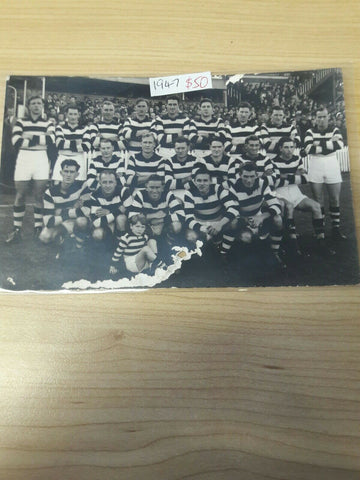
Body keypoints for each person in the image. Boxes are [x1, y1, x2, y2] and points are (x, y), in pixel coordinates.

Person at [273, 137, 334, 256]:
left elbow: (305, 178)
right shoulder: (273, 161)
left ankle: (321, 241)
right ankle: (292, 243)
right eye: (286, 147)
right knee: (288, 208)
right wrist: (295, 177)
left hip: (295, 191)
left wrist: (285, 176)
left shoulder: (297, 159)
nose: (289, 150)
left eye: (291, 147)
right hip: (279, 192)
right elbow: (275, 182)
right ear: (280, 148)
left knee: (316, 207)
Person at [6, 96, 55, 243]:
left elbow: (50, 140)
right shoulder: (21, 122)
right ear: (28, 106)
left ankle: (38, 228)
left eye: (39, 103)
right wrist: (40, 138)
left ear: (43, 106)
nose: (36, 106)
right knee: (20, 195)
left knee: (39, 195)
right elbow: (16, 141)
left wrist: (28, 137)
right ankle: (16, 230)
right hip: (24, 159)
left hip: (41, 159)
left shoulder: (48, 122)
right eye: (33, 103)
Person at [229, 162, 285, 267]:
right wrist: (248, 220)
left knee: (278, 219)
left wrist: (261, 217)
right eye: (245, 176)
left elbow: (276, 205)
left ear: (257, 175)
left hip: (258, 216)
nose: (249, 180)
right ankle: (248, 255)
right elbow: (234, 214)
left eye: (252, 176)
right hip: (243, 220)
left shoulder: (262, 183)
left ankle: (275, 252)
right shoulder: (234, 189)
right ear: (240, 175)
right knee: (246, 237)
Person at [304, 106, 346, 240]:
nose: (321, 120)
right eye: (319, 117)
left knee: (334, 199)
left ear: (328, 117)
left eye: (324, 116)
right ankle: (320, 231)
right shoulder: (310, 131)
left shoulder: (335, 129)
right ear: (315, 119)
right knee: (318, 200)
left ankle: (336, 229)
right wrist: (328, 143)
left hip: (331, 163)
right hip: (316, 164)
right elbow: (309, 149)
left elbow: (339, 145)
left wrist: (318, 144)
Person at [183, 167, 238, 254]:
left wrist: (219, 225)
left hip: (218, 223)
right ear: (194, 181)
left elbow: (233, 208)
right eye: (199, 180)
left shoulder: (218, 189)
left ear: (210, 181)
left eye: (205, 180)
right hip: (201, 225)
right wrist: (204, 229)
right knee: (191, 236)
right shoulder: (189, 193)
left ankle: (223, 253)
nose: (202, 183)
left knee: (234, 222)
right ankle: (199, 256)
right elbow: (188, 219)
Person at [39, 159, 88, 250]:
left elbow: (86, 211)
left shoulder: (83, 186)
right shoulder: (50, 192)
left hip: (75, 220)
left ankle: (79, 246)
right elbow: (48, 222)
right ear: (61, 173)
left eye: (72, 172)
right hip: (62, 221)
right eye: (66, 171)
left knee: (82, 221)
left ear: (77, 174)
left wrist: (60, 211)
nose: (68, 175)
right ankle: (66, 238)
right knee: (44, 237)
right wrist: (72, 210)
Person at [129, 174, 183, 239]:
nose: (154, 191)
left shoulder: (168, 194)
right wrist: (154, 215)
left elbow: (181, 215)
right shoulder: (140, 194)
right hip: (146, 225)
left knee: (177, 225)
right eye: (152, 187)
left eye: (157, 187)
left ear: (162, 188)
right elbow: (132, 217)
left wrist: (160, 220)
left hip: (163, 224)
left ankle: (170, 243)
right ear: (146, 187)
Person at [86, 170, 131, 244]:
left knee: (121, 218)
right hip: (106, 225)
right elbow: (96, 223)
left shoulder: (123, 191)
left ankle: (121, 246)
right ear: (100, 183)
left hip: (122, 225)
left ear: (115, 182)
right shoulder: (95, 195)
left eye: (111, 182)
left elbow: (131, 213)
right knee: (97, 233)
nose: (107, 185)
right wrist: (117, 211)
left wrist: (109, 212)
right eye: (104, 182)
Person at [52, 104, 91, 182]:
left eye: (75, 114)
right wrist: (77, 142)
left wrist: (67, 143)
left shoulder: (85, 129)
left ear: (79, 115)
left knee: (78, 185)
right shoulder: (60, 128)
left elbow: (86, 146)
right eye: (70, 114)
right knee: (58, 184)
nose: (73, 117)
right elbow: (59, 144)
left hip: (79, 158)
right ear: (66, 115)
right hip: (62, 157)